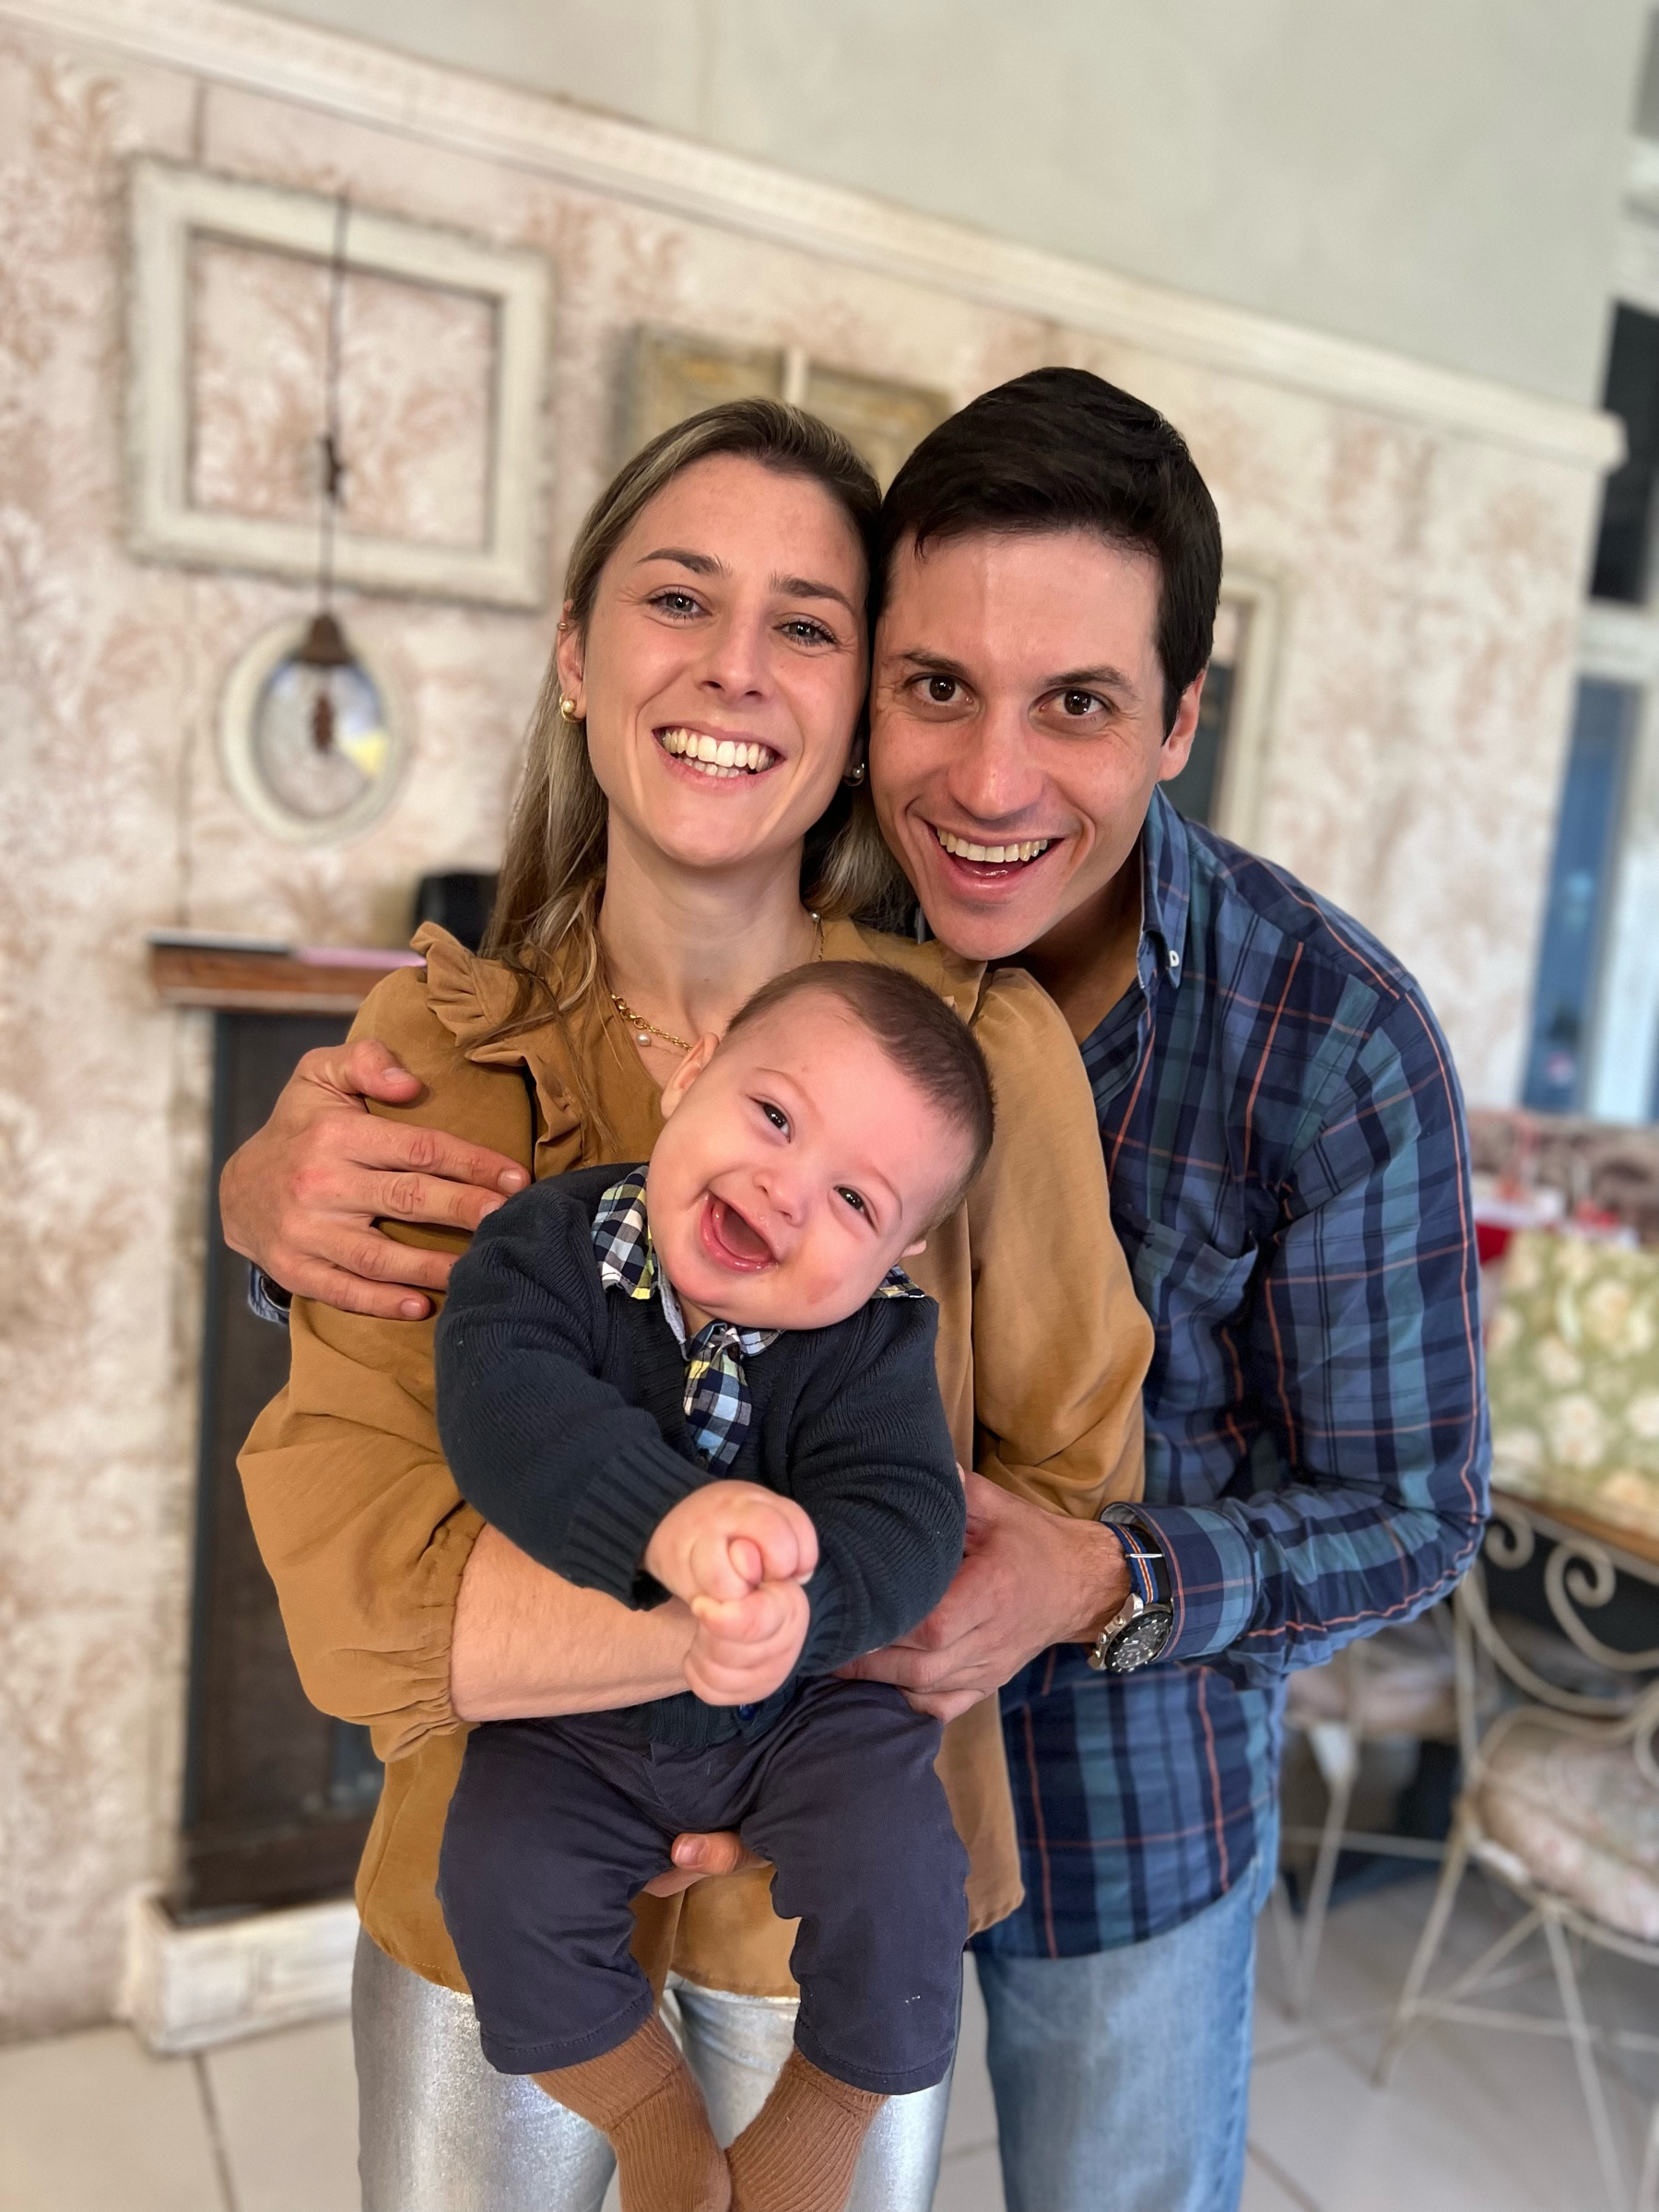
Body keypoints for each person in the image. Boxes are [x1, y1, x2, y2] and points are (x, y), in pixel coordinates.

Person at [230, 367, 1491, 2212]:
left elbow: (1225, 1479)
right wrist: (262, 1226)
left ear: (1178, 720)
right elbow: (362, 1572)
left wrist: (1057, 1583)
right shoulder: (464, 1042)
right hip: (540, 1853)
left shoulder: (1155, 1037)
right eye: (943, 688)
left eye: (805, 626)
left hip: (1039, 1808)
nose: (989, 781)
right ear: (575, 651)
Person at [437, 961, 997, 2212]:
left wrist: (811, 1606)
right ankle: (652, 2120)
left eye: (854, 1199)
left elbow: (912, 1517)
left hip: (798, 1711)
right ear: (691, 1073)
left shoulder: (875, 1341)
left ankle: (827, 2110)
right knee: (498, 1880)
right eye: (774, 1116)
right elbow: (503, 1406)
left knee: (905, 1876)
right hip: (572, 1718)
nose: (786, 1189)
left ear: (900, 1250)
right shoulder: (552, 1250)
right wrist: (671, 1521)